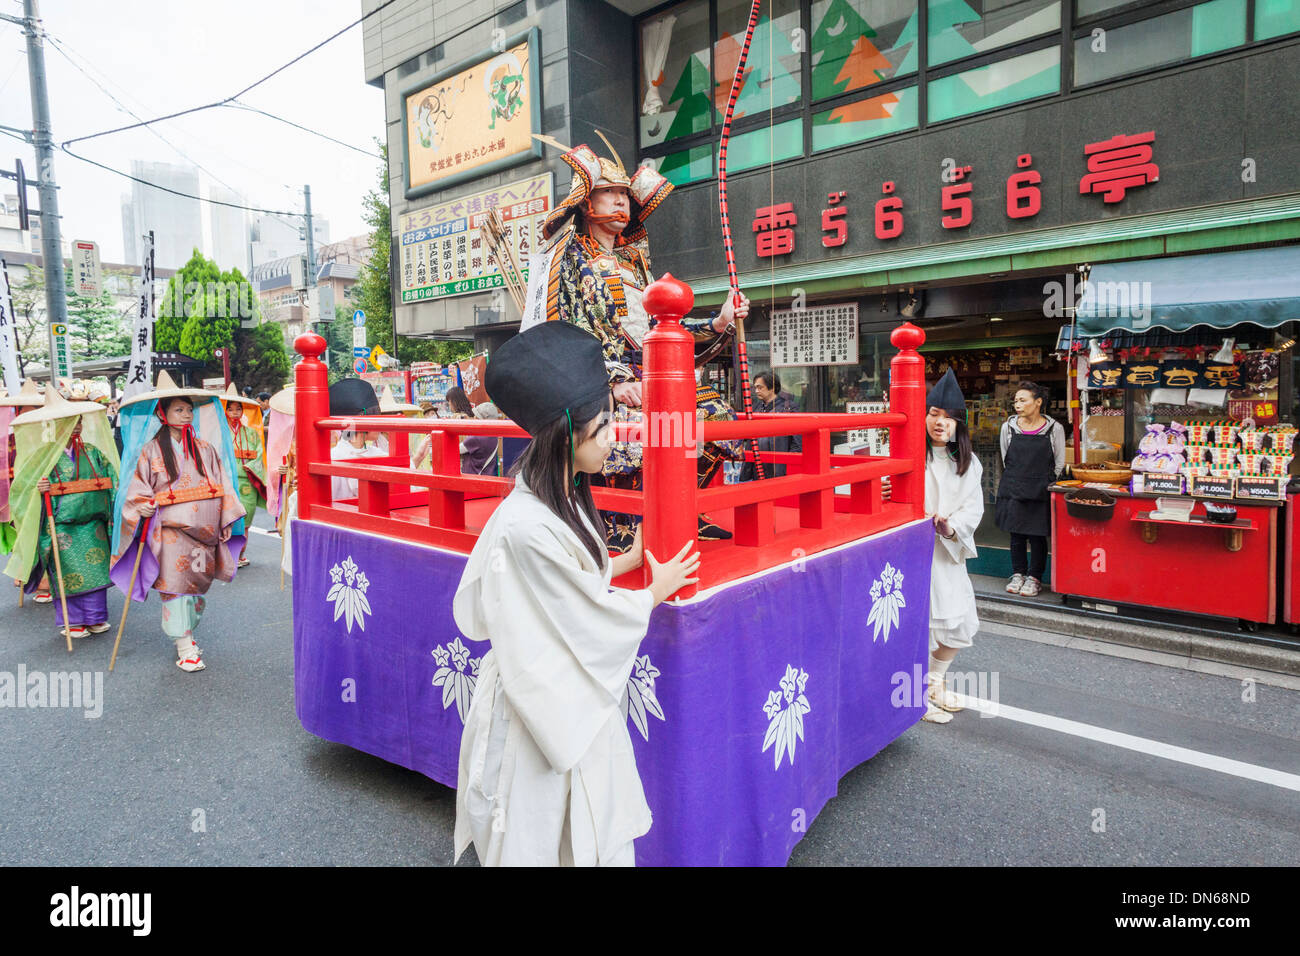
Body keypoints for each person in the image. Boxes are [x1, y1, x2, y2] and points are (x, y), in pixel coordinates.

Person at [453, 321, 700, 866]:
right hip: (538, 704)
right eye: (605, 425)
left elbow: (566, 587)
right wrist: (651, 594)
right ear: (566, 435)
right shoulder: (526, 522)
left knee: (572, 836)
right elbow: (581, 613)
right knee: (541, 835)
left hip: (559, 694)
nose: (616, 435)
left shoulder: (555, 497)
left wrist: (625, 561)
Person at [532, 134, 747, 550]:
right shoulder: (571, 257)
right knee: (637, 430)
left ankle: (683, 507)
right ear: (585, 202)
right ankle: (622, 519)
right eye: (608, 193)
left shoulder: (636, 264)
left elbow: (664, 330)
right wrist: (612, 381)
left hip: (651, 377)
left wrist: (719, 322)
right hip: (600, 383)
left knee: (717, 415)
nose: (620, 201)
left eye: (625, 195)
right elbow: (571, 327)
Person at [109, 372, 246, 673]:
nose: (185, 415)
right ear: (163, 413)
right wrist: (141, 506)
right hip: (169, 533)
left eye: (188, 410)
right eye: (178, 409)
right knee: (175, 589)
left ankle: (187, 632)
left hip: (204, 533)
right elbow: (138, 489)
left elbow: (223, 484)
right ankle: (185, 646)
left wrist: (229, 512)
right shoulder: (151, 451)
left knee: (195, 591)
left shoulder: (206, 450)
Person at [5, 387, 120, 639]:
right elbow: (22, 488)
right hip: (60, 525)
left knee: (97, 570)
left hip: (93, 524)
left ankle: (96, 618)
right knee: (67, 573)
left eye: (78, 421)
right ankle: (74, 621)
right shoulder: (44, 455)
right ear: (55, 425)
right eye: (70, 422)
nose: (76, 426)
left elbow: (112, 477)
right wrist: (40, 488)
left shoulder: (92, 452)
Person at [922, 370, 984, 726]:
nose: (940, 422)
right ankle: (916, 696)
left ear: (959, 423)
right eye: (933, 413)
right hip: (915, 553)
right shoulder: (913, 455)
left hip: (947, 552)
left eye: (948, 417)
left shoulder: (969, 463)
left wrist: (951, 527)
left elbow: (973, 507)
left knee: (959, 623)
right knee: (922, 626)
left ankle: (933, 683)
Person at [995, 380, 1065, 597]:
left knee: (1037, 536)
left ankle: (1034, 577)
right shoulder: (1008, 427)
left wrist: (1043, 481)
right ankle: (1018, 574)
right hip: (1015, 486)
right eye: (1016, 400)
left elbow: (1060, 462)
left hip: (1040, 489)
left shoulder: (1054, 428)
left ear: (1038, 402)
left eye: (1023, 400)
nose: (1017, 404)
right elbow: (1005, 457)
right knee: (1016, 534)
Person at [219, 384, 267, 568]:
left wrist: (249, 468)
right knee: (226, 520)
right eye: (230, 409)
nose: (234, 412)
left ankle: (239, 555)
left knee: (245, 522)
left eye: (238, 409)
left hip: (247, 482)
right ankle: (226, 556)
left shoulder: (251, 434)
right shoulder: (220, 434)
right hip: (226, 483)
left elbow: (259, 455)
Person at [740, 370, 802, 480]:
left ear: (772, 387)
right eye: (755, 388)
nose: (757, 391)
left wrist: (789, 461)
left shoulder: (789, 408)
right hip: (758, 461)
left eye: (760, 387)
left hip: (779, 463)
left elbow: (797, 442)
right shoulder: (756, 407)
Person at [461, 402, 503, 476]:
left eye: (476, 416)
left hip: (473, 479)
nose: (474, 418)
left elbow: (456, 449)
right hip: (486, 476)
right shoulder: (492, 435)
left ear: (480, 419)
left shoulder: (476, 438)